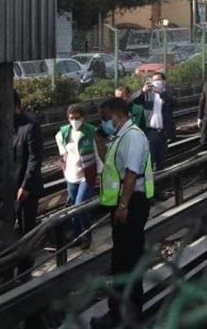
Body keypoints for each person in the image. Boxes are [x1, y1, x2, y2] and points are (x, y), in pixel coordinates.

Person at [91, 97, 154, 329]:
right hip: (126, 204)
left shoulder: (133, 137)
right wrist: (99, 142)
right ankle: (124, 313)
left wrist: (123, 205)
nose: (104, 124)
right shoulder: (122, 136)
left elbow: (130, 173)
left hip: (131, 205)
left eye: (106, 119)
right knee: (123, 261)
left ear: (117, 115)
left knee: (126, 261)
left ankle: (123, 315)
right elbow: (111, 163)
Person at [56, 104, 101, 250]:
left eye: (77, 118)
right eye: (71, 118)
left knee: (79, 206)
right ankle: (76, 235)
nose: (74, 121)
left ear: (83, 118)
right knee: (73, 207)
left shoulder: (91, 131)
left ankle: (86, 235)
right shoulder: (63, 133)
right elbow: (63, 154)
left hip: (86, 175)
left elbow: (97, 153)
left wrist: (100, 171)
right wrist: (64, 168)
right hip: (71, 175)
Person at [13, 91, 43, 272]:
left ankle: (25, 269)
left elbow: (34, 159)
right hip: (9, 186)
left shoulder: (30, 127)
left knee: (26, 229)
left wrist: (25, 185)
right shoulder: (7, 126)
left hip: (26, 189)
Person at [133, 72, 177, 172]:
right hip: (150, 131)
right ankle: (150, 180)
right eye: (154, 80)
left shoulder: (169, 92)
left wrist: (161, 94)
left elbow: (175, 103)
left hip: (163, 132)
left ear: (164, 81)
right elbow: (132, 101)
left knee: (161, 158)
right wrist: (142, 91)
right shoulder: (147, 94)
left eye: (158, 80)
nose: (156, 82)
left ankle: (161, 179)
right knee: (149, 158)